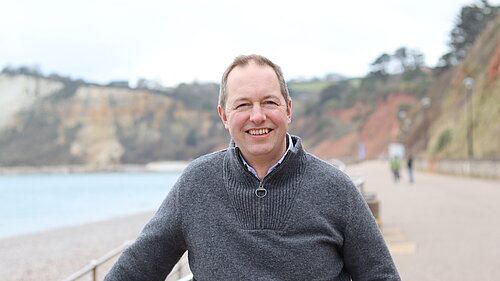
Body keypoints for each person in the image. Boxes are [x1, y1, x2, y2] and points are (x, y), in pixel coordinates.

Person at [104, 54, 401, 280]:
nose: (257, 117)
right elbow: (133, 271)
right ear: (224, 115)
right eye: (243, 105)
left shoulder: (336, 189)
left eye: (269, 102)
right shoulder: (197, 184)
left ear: (288, 109)